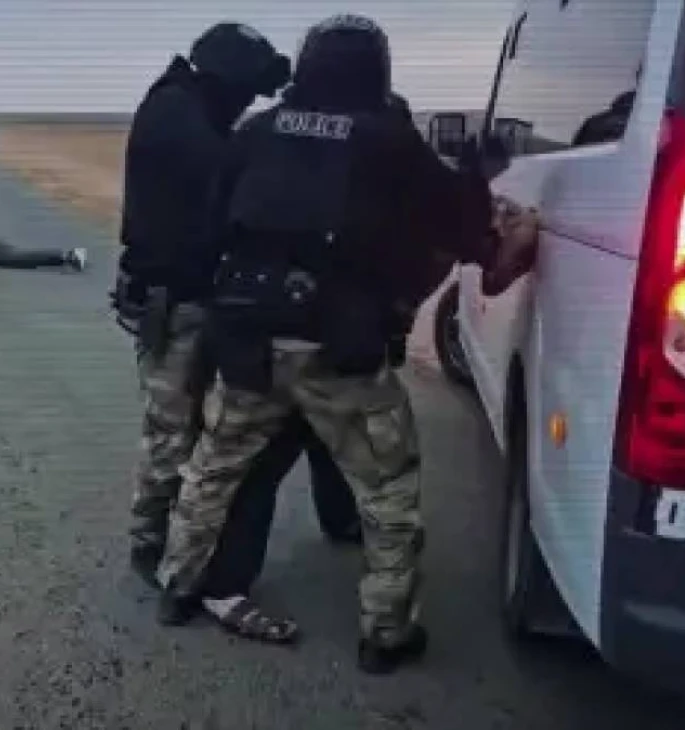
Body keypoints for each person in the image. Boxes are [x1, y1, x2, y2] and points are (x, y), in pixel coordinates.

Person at [154, 13, 538, 674]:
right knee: (387, 493)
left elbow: (210, 225)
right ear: (377, 71)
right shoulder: (389, 139)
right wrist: (487, 190)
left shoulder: (257, 130)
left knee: (213, 470)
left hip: (248, 338)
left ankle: (177, 587)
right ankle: (386, 633)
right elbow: (463, 224)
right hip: (340, 350)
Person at [113, 22, 354, 643]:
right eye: (246, 90)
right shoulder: (176, 114)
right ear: (221, 81)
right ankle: (153, 547)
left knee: (196, 434)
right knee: (172, 434)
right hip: (177, 301)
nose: (249, 102)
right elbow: (238, 174)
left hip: (195, 298)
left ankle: (180, 550)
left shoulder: (189, 106)